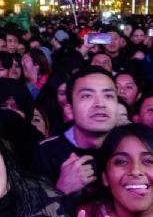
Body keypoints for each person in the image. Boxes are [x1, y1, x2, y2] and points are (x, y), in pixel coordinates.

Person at [31, 67, 118, 203]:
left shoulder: (130, 147)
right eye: (87, 96)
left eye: (108, 96)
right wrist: (61, 190)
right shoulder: (45, 153)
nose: (100, 104)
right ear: (70, 108)